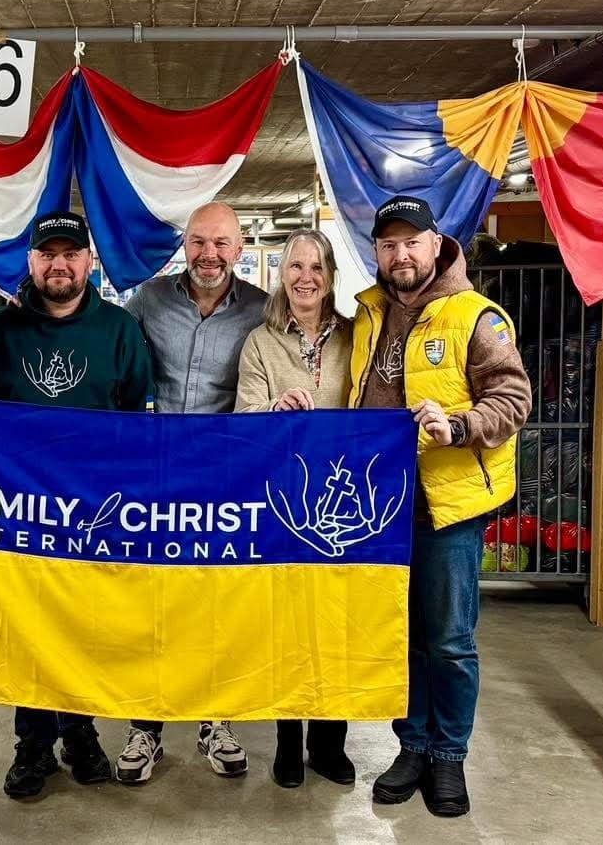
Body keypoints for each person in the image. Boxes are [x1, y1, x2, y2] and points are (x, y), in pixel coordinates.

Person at [351, 196, 531, 817]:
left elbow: (512, 398)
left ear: (436, 244)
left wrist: (458, 426)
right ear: (377, 252)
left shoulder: (477, 316)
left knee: (450, 640)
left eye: (411, 242)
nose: (400, 255)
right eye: (388, 244)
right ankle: (413, 745)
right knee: (404, 637)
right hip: (381, 509)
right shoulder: (368, 315)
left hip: (446, 508)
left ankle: (449, 754)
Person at [0, 210, 152, 799]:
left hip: (97, 512)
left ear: (89, 262)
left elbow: (138, 421)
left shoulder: (120, 330)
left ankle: (81, 734)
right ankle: (33, 746)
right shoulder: (0, 330)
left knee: (86, 629)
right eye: (48, 254)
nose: (59, 265)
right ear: (31, 262)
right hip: (22, 512)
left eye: (71, 254)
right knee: (31, 632)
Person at [118, 201, 267, 784]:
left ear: (239, 247)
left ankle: (215, 719)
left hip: (223, 484)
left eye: (222, 243)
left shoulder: (261, 309)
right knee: (152, 608)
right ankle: (144, 727)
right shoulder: (147, 301)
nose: (210, 254)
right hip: (154, 481)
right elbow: (117, 361)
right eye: (199, 242)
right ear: (185, 245)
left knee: (217, 609)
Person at [234, 228, 355, 790]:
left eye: (317, 267)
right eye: (295, 267)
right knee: (285, 627)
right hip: (282, 502)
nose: (306, 277)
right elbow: (242, 416)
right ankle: (287, 740)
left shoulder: (356, 336)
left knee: (336, 624)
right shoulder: (260, 342)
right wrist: (273, 407)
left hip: (345, 505)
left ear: (330, 277)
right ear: (281, 276)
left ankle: (329, 743)